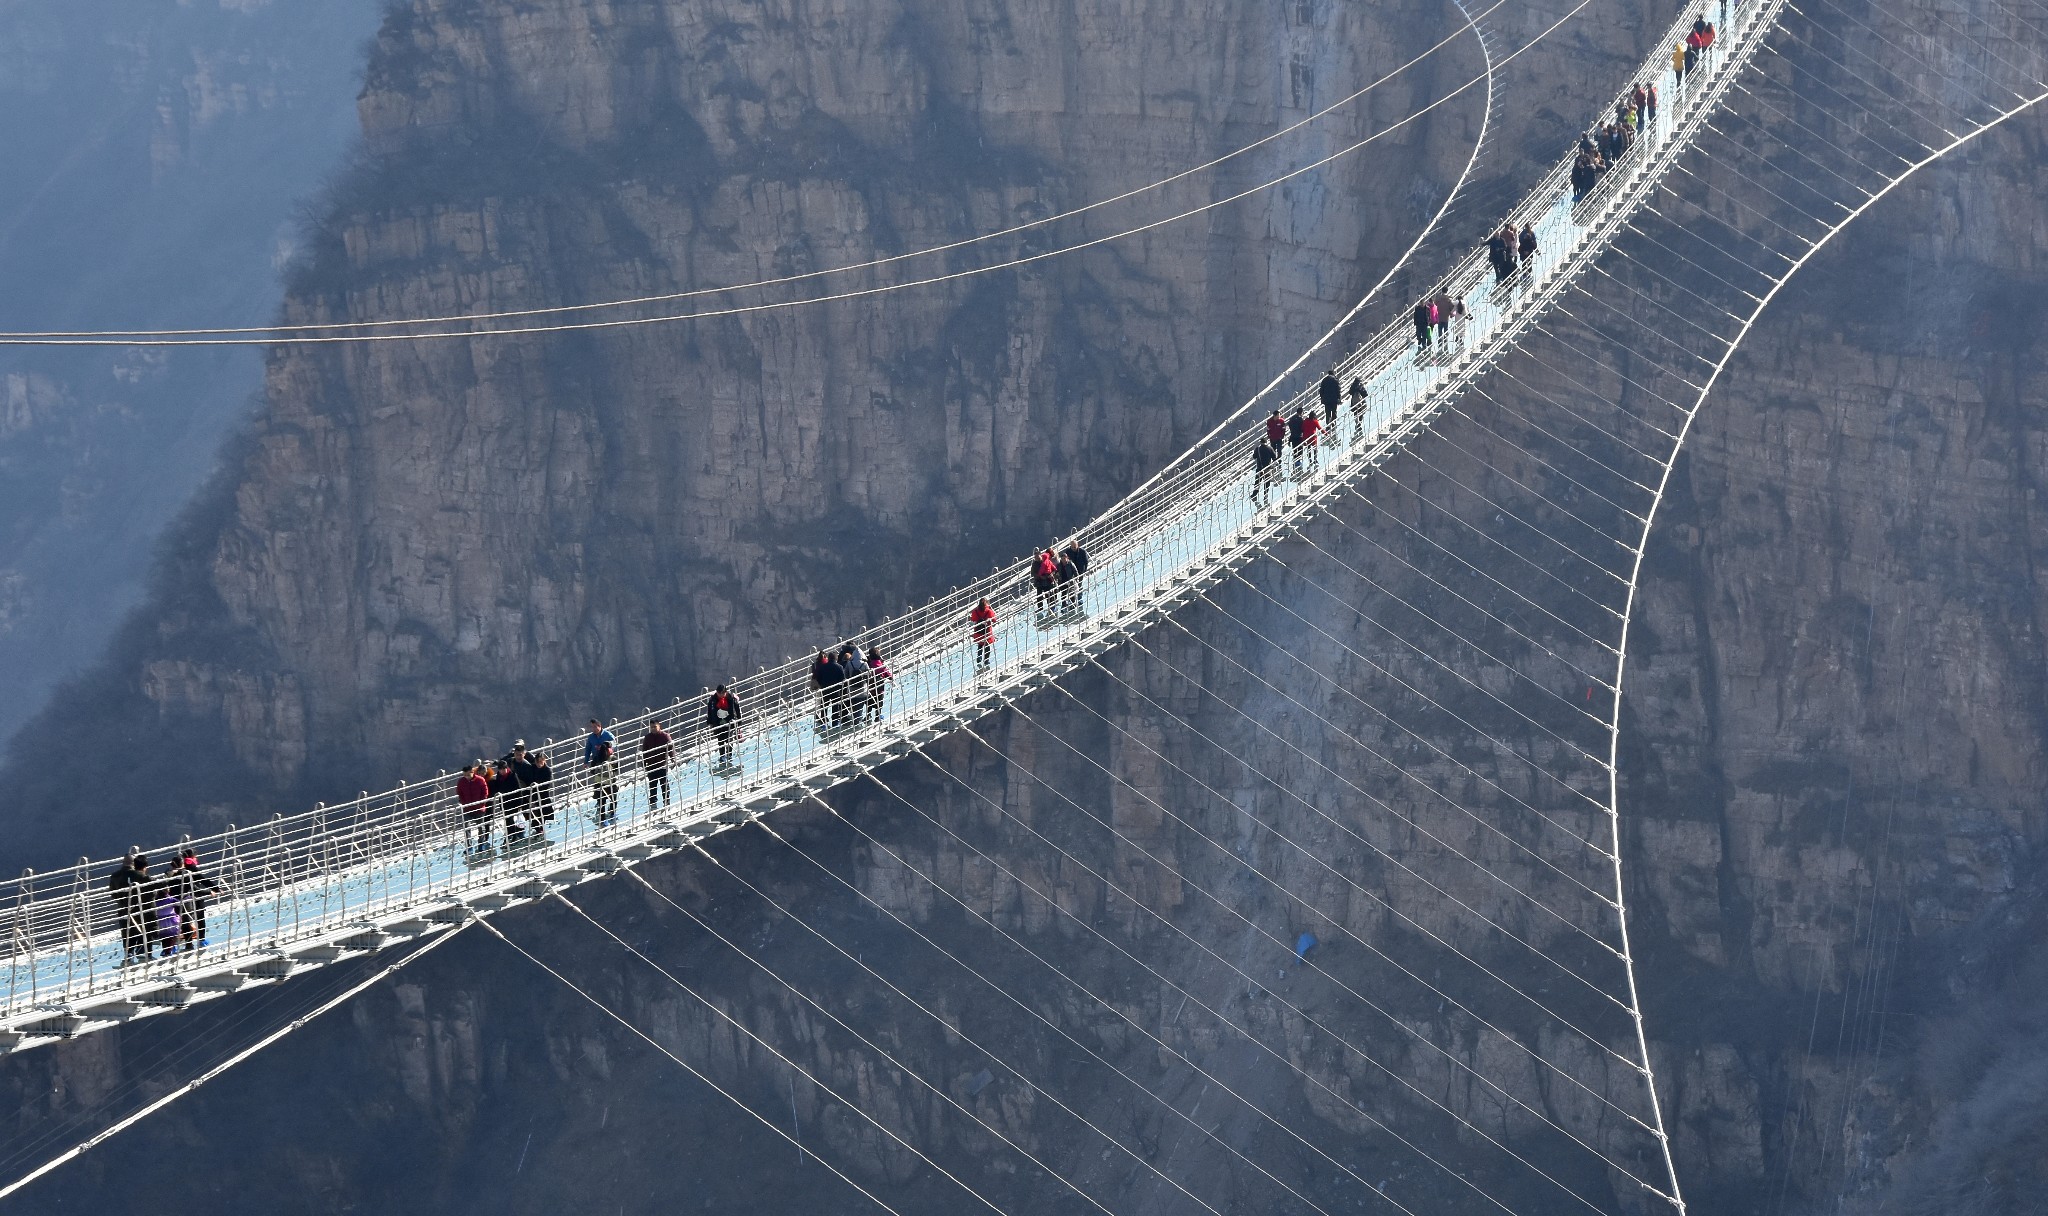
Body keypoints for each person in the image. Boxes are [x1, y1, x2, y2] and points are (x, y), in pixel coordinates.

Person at [172, 849, 223, 952]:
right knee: (199, 918)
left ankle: (180, 943)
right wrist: (214, 889)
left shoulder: (176, 870)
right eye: (195, 856)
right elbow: (202, 880)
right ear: (192, 857)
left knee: (181, 921)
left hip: (179, 898)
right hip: (194, 896)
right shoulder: (191, 868)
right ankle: (200, 940)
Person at [108, 852, 152, 965]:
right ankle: (142, 952)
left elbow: (113, 893)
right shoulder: (138, 874)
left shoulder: (114, 876)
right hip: (137, 907)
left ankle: (128, 955)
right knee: (141, 929)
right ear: (133, 863)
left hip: (122, 908)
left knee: (126, 932)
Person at [705, 685, 744, 771]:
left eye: (721, 693)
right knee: (720, 739)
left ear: (725, 692)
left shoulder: (732, 698)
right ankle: (722, 755)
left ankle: (729, 755)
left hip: (730, 721)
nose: (720, 695)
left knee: (729, 738)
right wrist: (710, 722)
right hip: (718, 723)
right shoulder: (713, 700)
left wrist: (739, 720)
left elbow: (737, 709)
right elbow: (709, 711)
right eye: (718, 693)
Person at [489, 757, 527, 845]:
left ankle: (513, 837)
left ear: (506, 768)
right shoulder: (499, 775)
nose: (502, 771)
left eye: (503, 769)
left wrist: (519, 803)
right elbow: (498, 785)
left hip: (513, 800)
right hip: (504, 801)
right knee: (507, 819)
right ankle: (510, 836)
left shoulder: (513, 776)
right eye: (500, 770)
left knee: (510, 819)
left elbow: (518, 789)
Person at [456, 762, 493, 852]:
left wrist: (480, 804)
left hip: (479, 808)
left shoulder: (480, 780)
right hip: (467, 808)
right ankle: (469, 846)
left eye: (468, 775)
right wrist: (464, 803)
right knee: (467, 827)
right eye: (465, 775)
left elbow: (485, 793)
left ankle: (481, 844)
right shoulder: (461, 782)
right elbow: (459, 793)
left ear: (472, 772)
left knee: (481, 827)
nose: (466, 777)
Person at [641, 719, 673, 809]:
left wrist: (673, 758)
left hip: (662, 764)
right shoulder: (647, 737)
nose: (653, 729)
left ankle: (667, 802)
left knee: (664, 784)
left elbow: (670, 748)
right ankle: (653, 803)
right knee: (652, 785)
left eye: (655, 727)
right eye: (651, 727)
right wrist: (644, 763)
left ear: (659, 726)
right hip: (651, 765)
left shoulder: (665, 736)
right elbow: (645, 751)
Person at [590, 735, 619, 827]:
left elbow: (592, 771)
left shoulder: (596, 758)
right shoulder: (613, 758)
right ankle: (612, 813)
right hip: (610, 782)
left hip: (598, 783)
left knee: (602, 802)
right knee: (613, 799)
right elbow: (616, 769)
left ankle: (603, 820)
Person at [809, 649, 837, 734]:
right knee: (831, 703)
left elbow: (814, 674)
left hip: (818, 686)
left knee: (820, 703)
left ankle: (821, 718)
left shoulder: (814, 665)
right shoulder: (826, 663)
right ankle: (833, 721)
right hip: (827, 686)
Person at [1060, 540, 1090, 615]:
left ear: (1077, 545)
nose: (1073, 548)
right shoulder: (1068, 552)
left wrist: (1084, 570)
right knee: (1071, 587)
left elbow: (1086, 561)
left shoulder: (1082, 551)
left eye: (1075, 546)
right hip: (1071, 573)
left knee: (1079, 585)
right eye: (1072, 547)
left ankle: (1079, 599)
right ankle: (1071, 601)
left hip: (1080, 571)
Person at [526, 749, 556, 822]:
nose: (539, 764)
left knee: (547, 811)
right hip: (534, 794)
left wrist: (538, 786)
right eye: (537, 761)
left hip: (544, 794)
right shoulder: (532, 768)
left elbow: (547, 784)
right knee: (537, 813)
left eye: (541, 761)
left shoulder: (547, 770)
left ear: (544, 761)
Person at [865, 647, 893, 724]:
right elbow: (889, 675)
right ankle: (877, 717)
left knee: (869, 703)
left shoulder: (869, 664)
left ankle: (867, 716)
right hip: (880, 689)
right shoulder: (881, 665)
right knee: (879, 703)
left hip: (870, 688)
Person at [1031, 549, 1059, 620]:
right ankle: (1040, 608)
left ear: (1041, 556)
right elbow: (1032, 573)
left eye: (1038, 557)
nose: (1037, 558)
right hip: (1039, 582)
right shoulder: (1034, 564)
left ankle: (1051, 607)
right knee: (1039, 596)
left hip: (1048, 581)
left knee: (1049, 594)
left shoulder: (1046, 561)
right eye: (1036, 557)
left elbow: (1053, 569)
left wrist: (1050, 575)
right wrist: (1039, 576)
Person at [970, 597, 996, 674]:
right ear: (987, 604)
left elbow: (973, 619)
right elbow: (994, 620)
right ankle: (986, 660)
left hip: (978, 632)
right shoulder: (989, 611)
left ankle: (979, 657)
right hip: (987, 632)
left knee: (980, 645)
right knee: (987, 646)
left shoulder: (975, 611)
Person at [1252, 437, 1278, 506]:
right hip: (1267, 469)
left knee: (1257, 482)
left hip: (1259, 469)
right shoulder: (1270, 448)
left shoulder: (1257, 449)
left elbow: (1254, 457)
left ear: (1260, 442)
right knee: (1267, 482)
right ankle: (1265, 494)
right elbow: (1274, 458)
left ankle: (1254, 494)